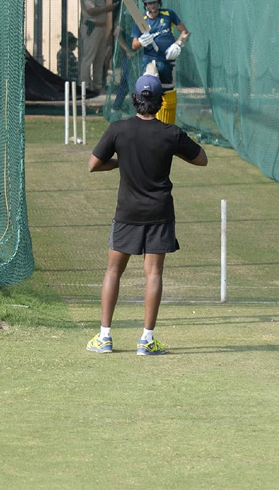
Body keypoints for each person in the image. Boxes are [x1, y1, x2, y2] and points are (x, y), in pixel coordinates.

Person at [86, 74, 208, 355]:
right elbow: (201, 159)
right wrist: (172, 151)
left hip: (127, 212)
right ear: (160, 102)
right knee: (153, 273)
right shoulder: (171, 133)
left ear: (134, 101)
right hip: (159, 212)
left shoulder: (118, 130)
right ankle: (146, 340)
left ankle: (104, 338)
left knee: (113, 271)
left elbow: (93, 164)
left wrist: (121, 162)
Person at [131, 0, 190, 125]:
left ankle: (167, 126)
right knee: (149, 90)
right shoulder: (141, 20)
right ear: (145, 5)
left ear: (159, 2)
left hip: (167, 60)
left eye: (155, 2)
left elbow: (185, 32)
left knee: (167, 92)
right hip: (150, 61)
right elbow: (134, 45)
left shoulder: (168, 14)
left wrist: (178, 44)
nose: (153, 6)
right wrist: (141, 41)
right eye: (149, 3)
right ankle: (147, 125)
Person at [79, 0, 112, 95]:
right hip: (91, 28)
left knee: (99, 58)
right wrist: (107, 8)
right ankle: (86, 87)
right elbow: (91, 10)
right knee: (88, 58)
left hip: (100, 27)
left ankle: (97, 86)